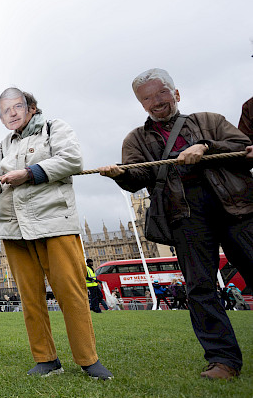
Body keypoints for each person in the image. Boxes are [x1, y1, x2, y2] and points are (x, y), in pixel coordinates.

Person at [99, 68, 253, 380]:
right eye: (147, 98)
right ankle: (223, 360)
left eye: (161, 93)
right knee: (200, 287)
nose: (156, 101)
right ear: (141, 104)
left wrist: (206, 146)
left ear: (176, 94)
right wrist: (121, 174)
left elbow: (245, 150)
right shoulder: (137, 139)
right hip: (185, 214)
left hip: (235, 205)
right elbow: (136, 176)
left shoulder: (209, 121)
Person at [0, 88, 112, 380]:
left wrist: (29, 173)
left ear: (31, 107)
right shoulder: (3, 145)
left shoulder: (55, 128)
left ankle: (88, 360)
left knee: (71, 292)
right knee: (30, 297)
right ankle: (46, 359)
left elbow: (72, 160)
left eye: (16, 107)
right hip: (13, 227)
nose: (11, 113)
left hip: (53, 221)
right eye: (4, 110)